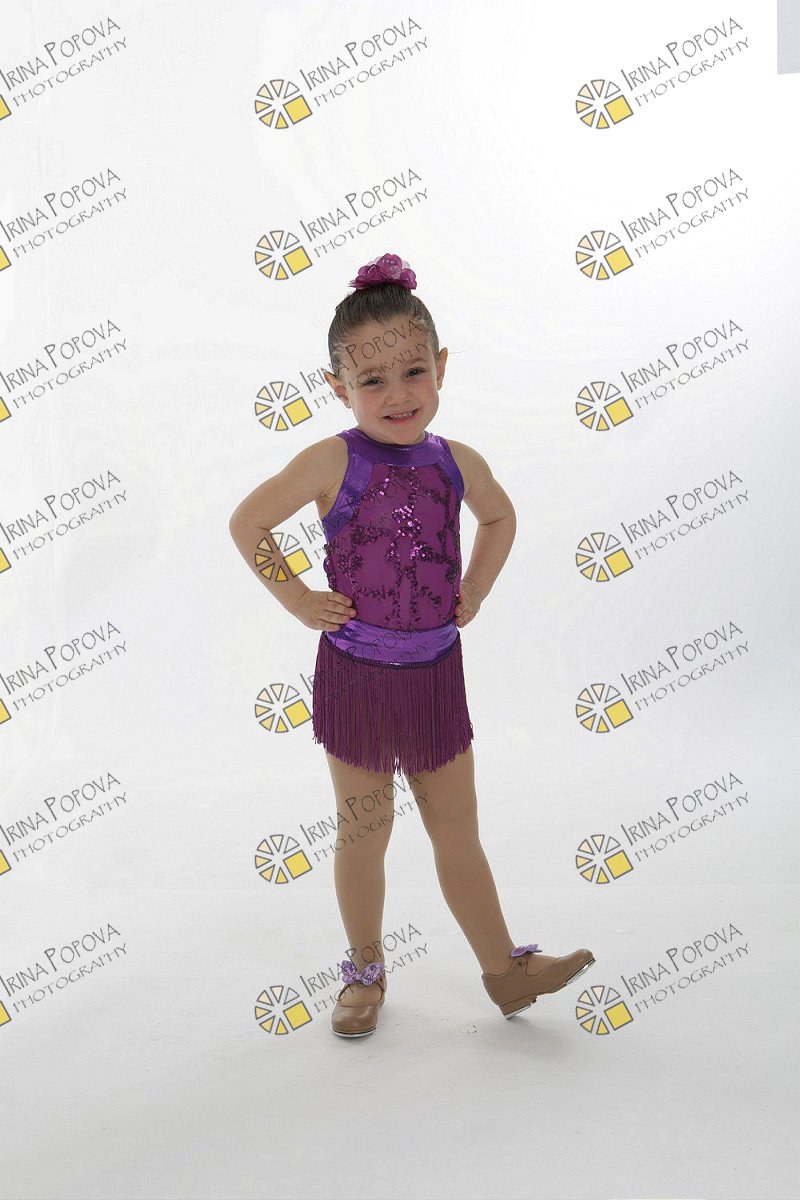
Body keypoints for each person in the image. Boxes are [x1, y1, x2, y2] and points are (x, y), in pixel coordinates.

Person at [228, 252, 595, 1038]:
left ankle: (505, 971)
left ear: (442, 367)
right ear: (338, 387)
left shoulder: (456, 463)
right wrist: (297, 598)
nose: (397, 394)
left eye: (413, 371)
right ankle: (365, 970)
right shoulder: (333, 459)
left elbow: (500, 516)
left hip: (435, 673)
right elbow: (248, 521)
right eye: (372, 379)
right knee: (366, 831)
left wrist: (477, 588)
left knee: (455, 828)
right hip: (356, 674)